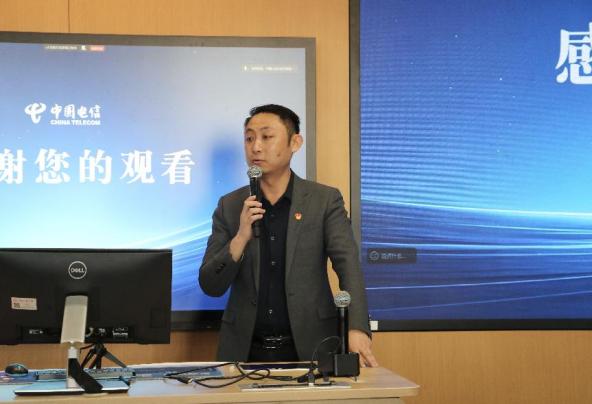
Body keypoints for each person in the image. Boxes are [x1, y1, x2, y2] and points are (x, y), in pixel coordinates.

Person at [199, 104, 378, 367]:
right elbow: (210, 285)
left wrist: (357, 327)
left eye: (266, 137)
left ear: (295, 143)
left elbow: (348, 265)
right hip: (244, 352)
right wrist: (240, 238)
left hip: (312, 347)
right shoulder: (230, 205)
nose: (256, 147)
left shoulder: (323, 200)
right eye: (249, 138)